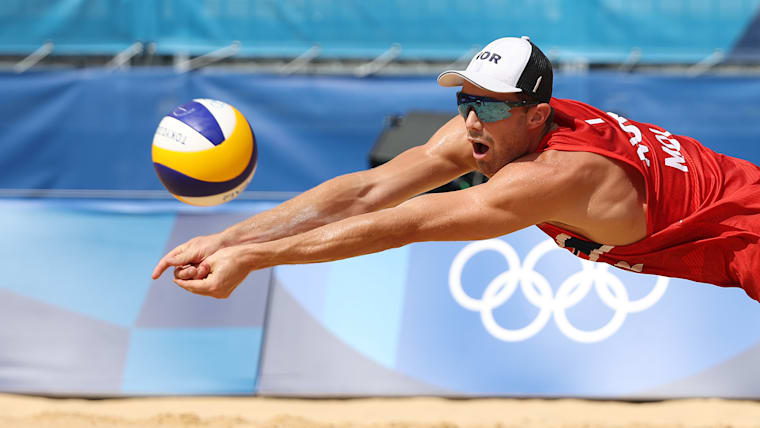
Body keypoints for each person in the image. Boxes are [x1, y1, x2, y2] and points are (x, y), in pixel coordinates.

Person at [152, 36, 760, 302]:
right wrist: (231, 237)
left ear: (536, 115)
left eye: (488, 106)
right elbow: (368, 192)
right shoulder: (496, 130)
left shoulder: (552, 175)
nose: (471, 119)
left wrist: (254, 259)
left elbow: (405, 223)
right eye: (465, 100)